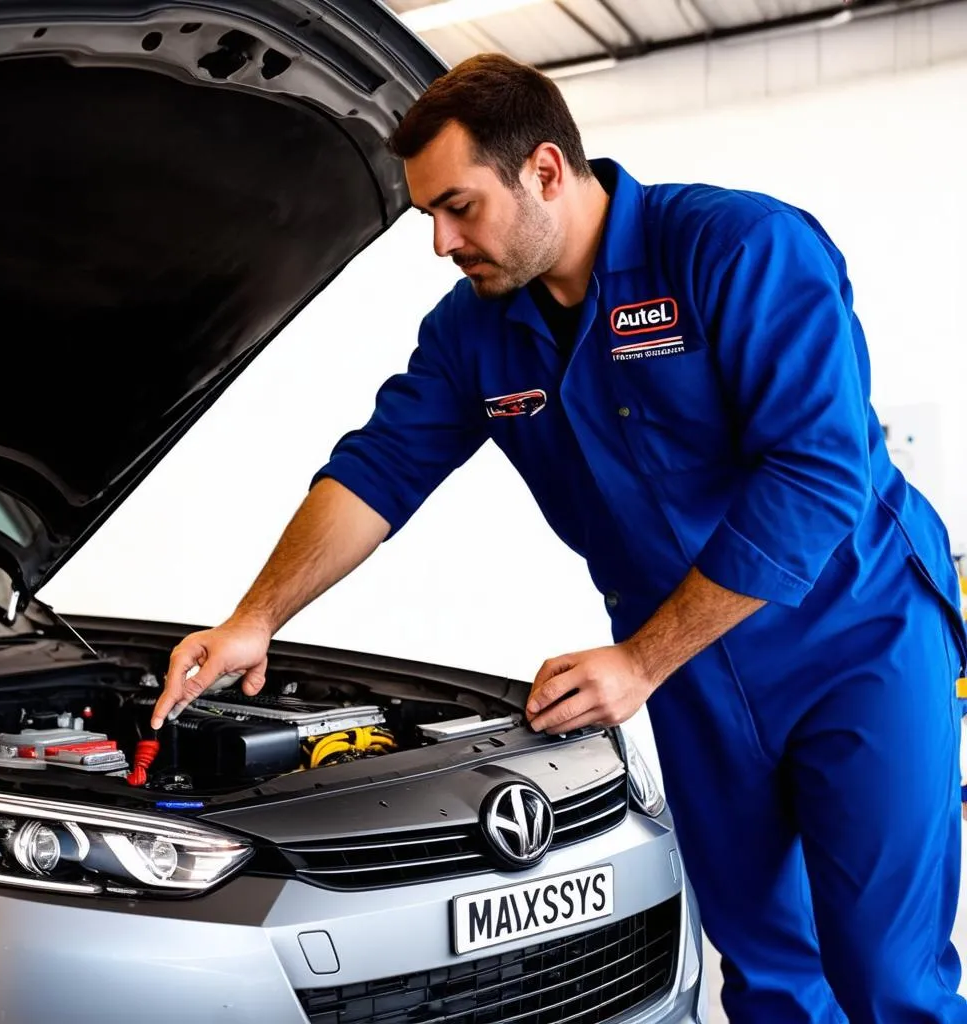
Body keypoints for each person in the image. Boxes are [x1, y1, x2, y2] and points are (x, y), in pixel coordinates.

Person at [150, 53, 967, 1023]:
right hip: (695, 676)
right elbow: (378, 468)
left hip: (855, 638)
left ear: (543, 170)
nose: (443, 243)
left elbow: (817, 476)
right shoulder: (473, 333)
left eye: (459, 208)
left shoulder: (737, 249)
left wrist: (637, 661)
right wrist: (255, 617)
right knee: (766, 975)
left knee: (887, 976)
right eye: (429, 219)